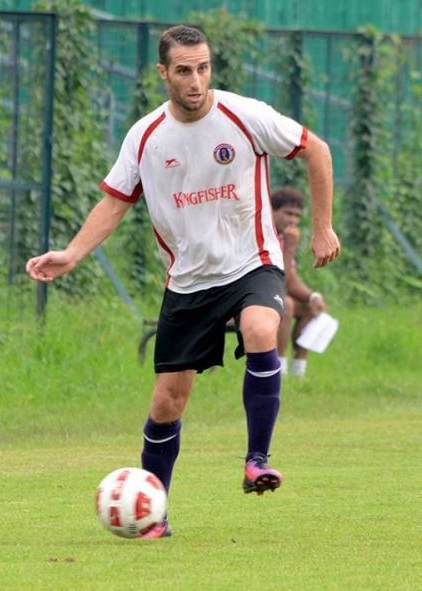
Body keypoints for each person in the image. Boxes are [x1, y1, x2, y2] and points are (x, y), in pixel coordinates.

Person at [26, 25, 340, 537]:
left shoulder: (245, 115)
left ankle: (257, 459)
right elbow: (115, 201)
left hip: (251, 263)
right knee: (168, 402)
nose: (196, 81)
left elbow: (317, 149)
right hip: (189, 283)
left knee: (263, 329)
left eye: (203, 68)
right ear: (163, 73)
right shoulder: (146, 137)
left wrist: (323, 226)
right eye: (184, 71)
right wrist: (72, 253)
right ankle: (153, 512)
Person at [271, 187, 329, 376]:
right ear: (271, 211)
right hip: (248, 297)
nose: (293, 220)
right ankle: (278, 369)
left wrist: (313, 296)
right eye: (287, 213)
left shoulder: (284, 238)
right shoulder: (264, 236)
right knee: (285, 304)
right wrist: (289, 249)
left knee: (311, 308)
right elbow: (284, 282)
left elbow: (292, 280)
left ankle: (298, 372)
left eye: (297, 216)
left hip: (273, 294)